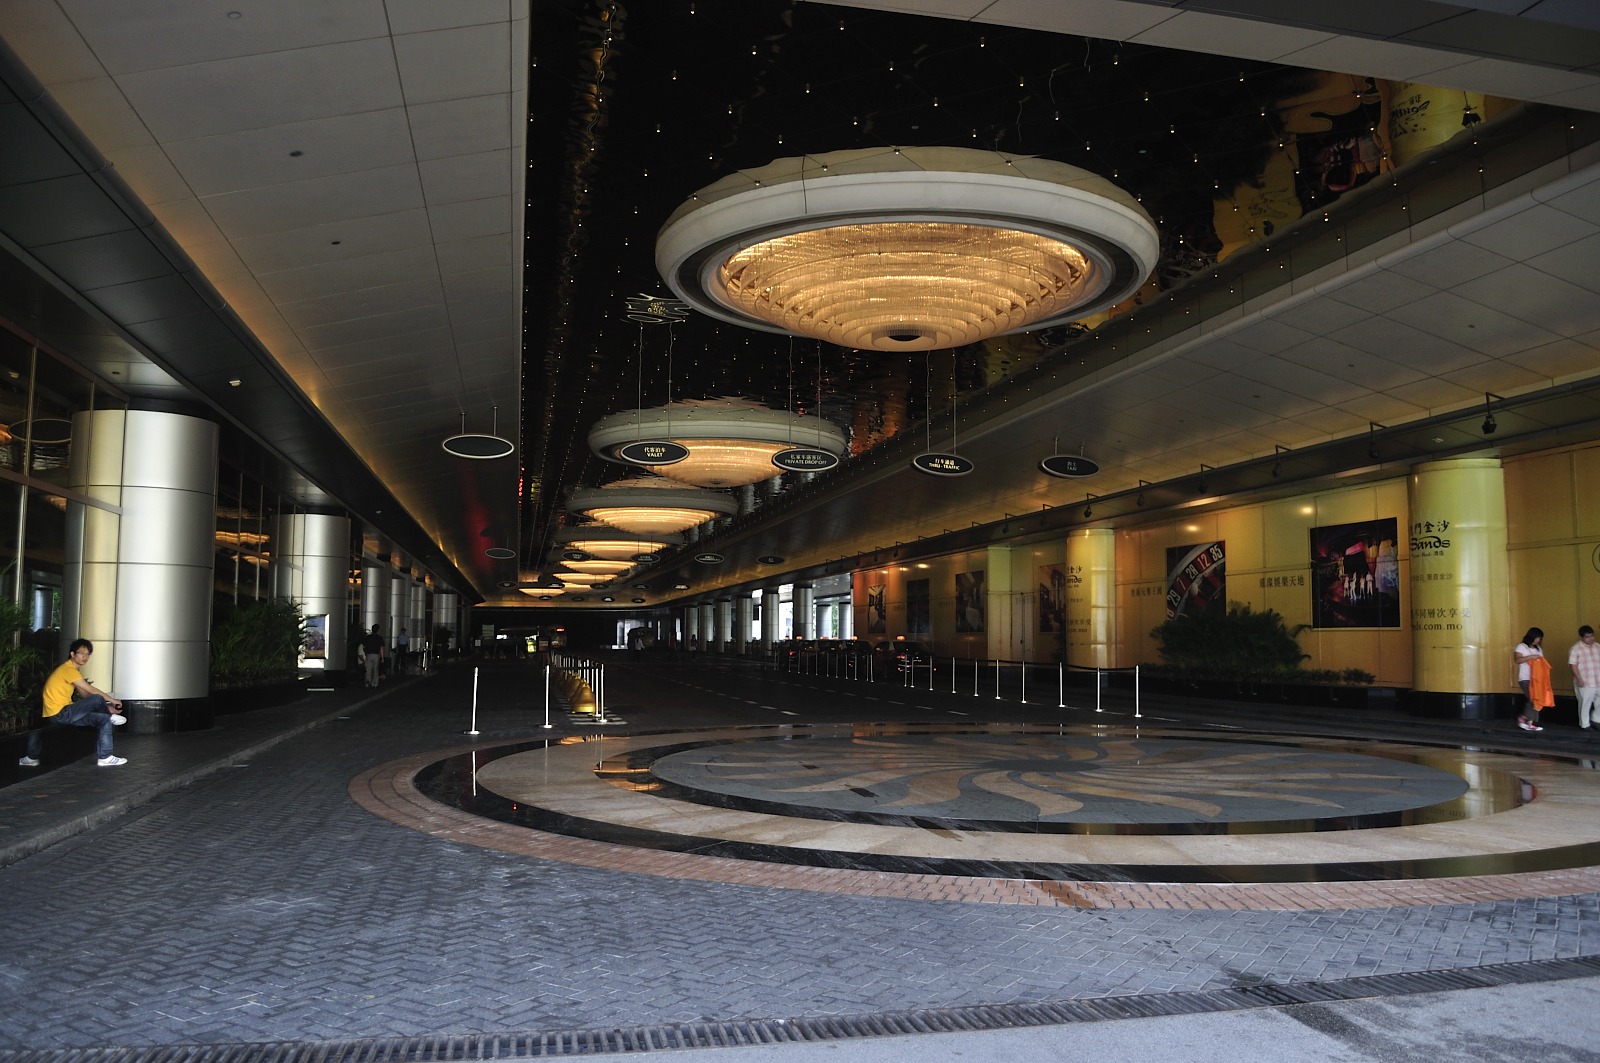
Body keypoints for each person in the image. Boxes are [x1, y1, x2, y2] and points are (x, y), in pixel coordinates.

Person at [18, 639, 127, 767]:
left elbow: (86, 695)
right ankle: (110, 716)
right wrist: (113, 701)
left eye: (88, 654)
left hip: (67, 713)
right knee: (98, 700)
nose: (85, 657)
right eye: (82, 653)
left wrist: (106, 707)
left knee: (103, 719)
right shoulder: (67, 669)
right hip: (60, 714)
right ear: (72, 654)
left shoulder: (73, 672)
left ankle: (105, 757)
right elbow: (92, 691)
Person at [1515, 627, 1553, 732]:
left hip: (1537, 679)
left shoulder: (1538, 649)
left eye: (1540, 638)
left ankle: (1530, 722)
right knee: (1533, 699)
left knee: (1537, 699)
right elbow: (1517, 660)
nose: (1538, 640)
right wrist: (1530, 657)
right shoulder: (1521, 646)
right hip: (1525, 678)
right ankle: (1524, 719)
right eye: (1538, 638)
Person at [1570, 625, 1600, 732]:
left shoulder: (1597, 646)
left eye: (1592, 636)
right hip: (1585, 680)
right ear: (1581, 637)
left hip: (1598, 679)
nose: (1590, 639)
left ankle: (1596, 720)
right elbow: (1573, 665)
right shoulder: (1576, 648)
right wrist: (1579, 679)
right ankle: (1585, 724)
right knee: (1585, 703)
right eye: (1587, 637)